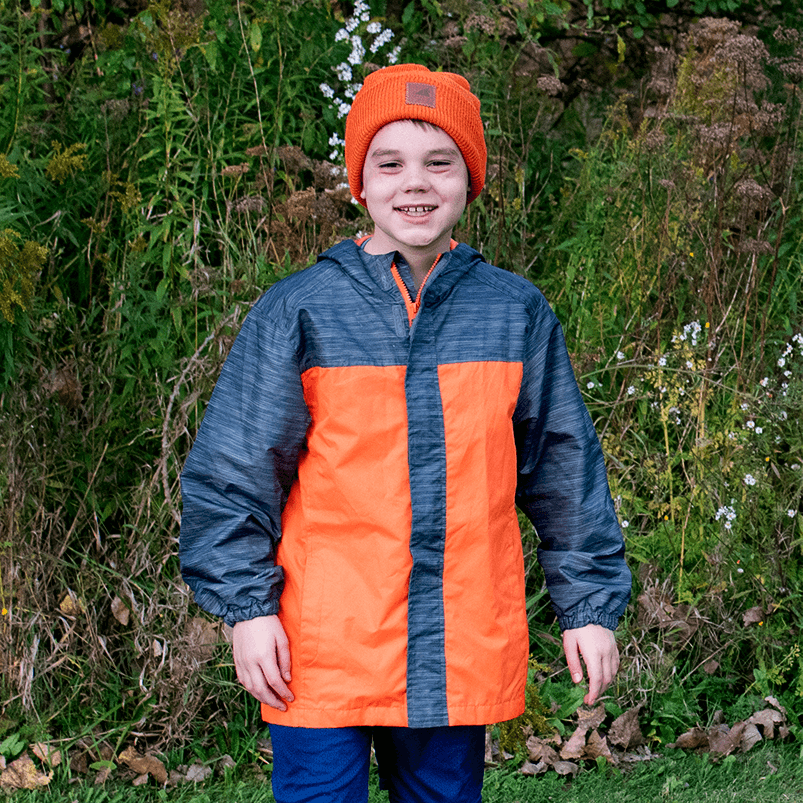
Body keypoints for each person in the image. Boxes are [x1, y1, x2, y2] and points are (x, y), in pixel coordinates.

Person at [179, 63, 631, 803]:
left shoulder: (514, 313)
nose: (413, 184)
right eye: (389, 163)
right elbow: (233, 474)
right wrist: (247, 609)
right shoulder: (300, 311)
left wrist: (586, 607)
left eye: (438, 162)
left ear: (469, 179)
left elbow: (563, 470)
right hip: (318, 644)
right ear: (360, 182)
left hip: (457, 644)